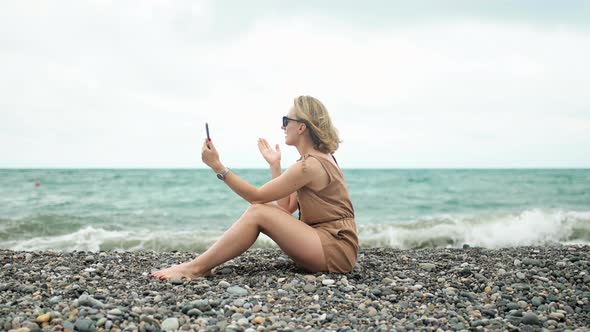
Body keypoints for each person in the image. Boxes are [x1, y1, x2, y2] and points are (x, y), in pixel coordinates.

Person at [150, 96, 358, 280]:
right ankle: (197, 266)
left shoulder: (310, 165)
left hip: (335, 248)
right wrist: (274, 165)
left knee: (258, 211)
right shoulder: (312, 161)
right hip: (329, 244)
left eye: (286, 121)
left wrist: (218, 167)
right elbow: (286, 208)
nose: (283, 127)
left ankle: (195, 269)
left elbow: (256, 197)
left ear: (302, 127)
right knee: (262, 210)